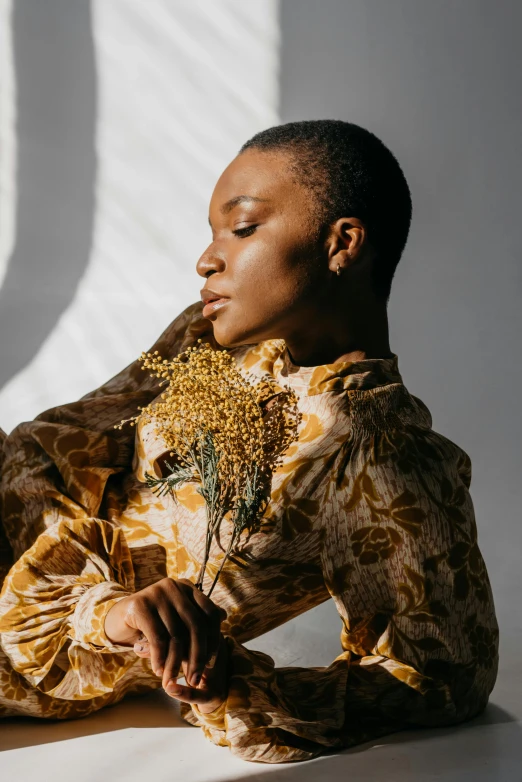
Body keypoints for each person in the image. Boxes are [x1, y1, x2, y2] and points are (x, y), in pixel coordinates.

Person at [0, 120, 498, 764]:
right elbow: (73, 437)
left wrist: (216, 675)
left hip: (25, 644)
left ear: (341, 243)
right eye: (212, 234)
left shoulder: (382, 460)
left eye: (242, 229)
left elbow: (443, 677)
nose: (207, 260)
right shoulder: (215, 338)